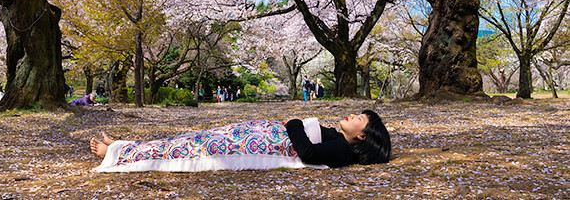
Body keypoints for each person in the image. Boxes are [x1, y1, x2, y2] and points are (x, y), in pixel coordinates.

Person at [89, 109, 390, 172]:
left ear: (362, 136)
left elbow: (309, 153)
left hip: (261, 142)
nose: (351, 117)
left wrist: (295, 123)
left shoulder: (341, 149)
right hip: (257, 133)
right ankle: (123, 147)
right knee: (191, 140)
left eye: (358, 120)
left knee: (194, 146)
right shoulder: (339, 139)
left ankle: (117, 152)